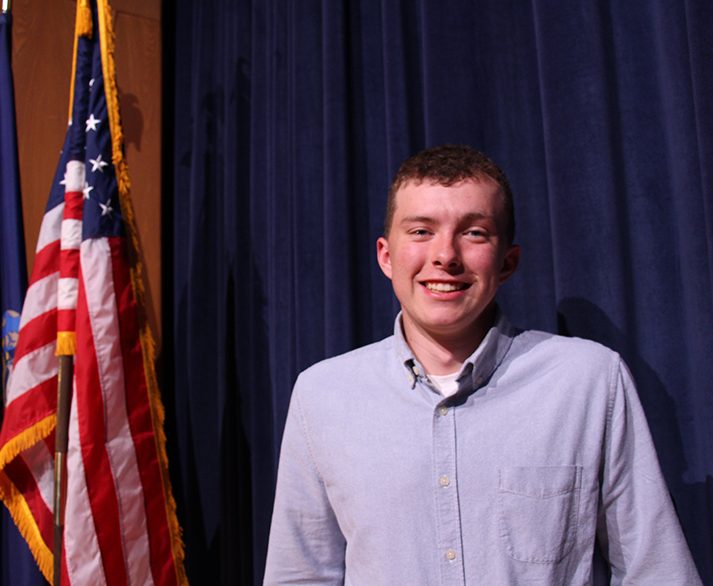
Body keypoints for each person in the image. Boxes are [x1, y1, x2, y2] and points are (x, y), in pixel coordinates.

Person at [263, 144, 702, 585]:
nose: (446, 256)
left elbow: (657, 571)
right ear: (386, 256)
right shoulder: (322, 396)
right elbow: (300, 576)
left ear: (507, 262)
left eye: (474, 233)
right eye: (420, 231)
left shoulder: (589, 382)